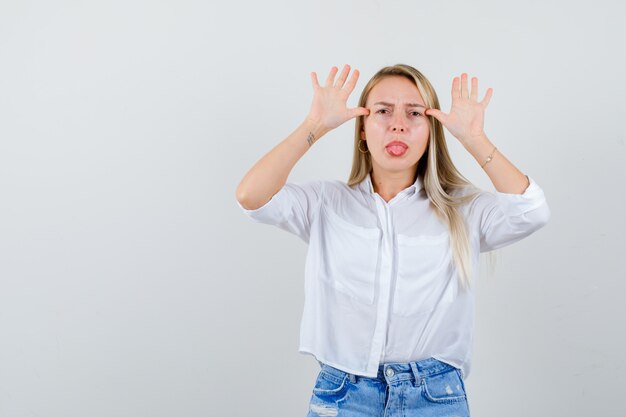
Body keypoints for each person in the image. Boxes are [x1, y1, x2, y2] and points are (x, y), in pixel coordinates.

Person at [235, 64, 550, 416]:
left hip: (435, 398)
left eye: (414, 113)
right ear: (363, 131)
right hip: (343, 395)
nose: (398, 124)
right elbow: (252, 195)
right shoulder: (326, 203)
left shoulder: (463, 209)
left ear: (431, 132)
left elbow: (532, 211)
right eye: (383, 111)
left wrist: (475, 140)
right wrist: (315, 126)